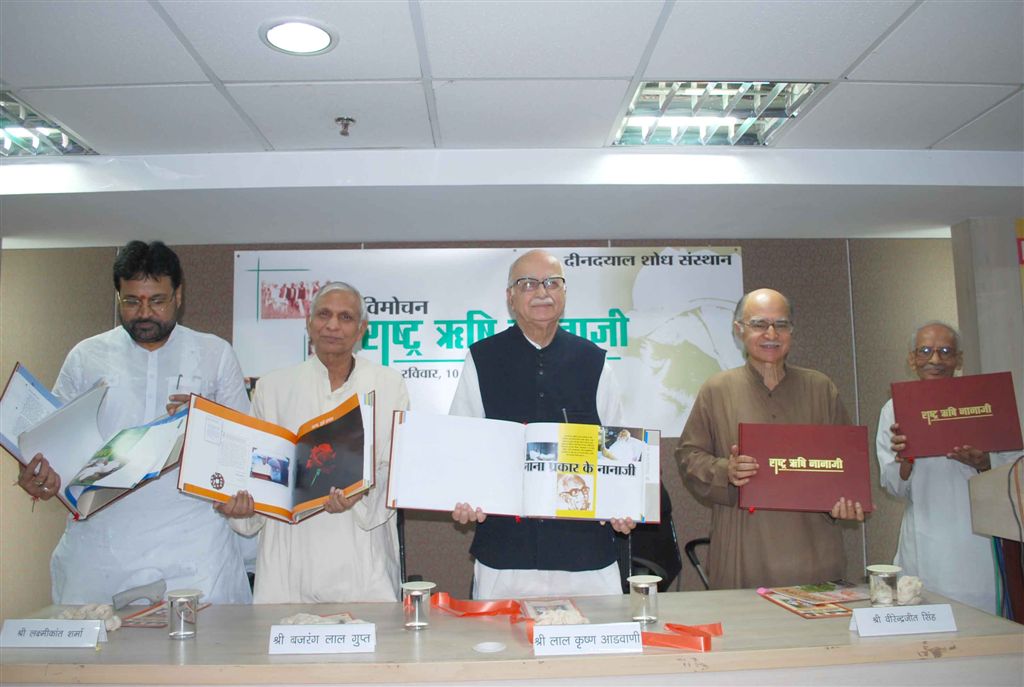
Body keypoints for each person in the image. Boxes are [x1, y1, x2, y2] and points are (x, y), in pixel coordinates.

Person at [17, 241, 252, 604]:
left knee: (206, 655)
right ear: (118, 297)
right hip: (101, 545)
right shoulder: (86, 356)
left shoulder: (214, 353)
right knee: (94, 657)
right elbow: (52, 445)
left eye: (156, 300)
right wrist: (39, 477)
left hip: (195, 545)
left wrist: (208, 419)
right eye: (131, 301)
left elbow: (243, 445)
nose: (144, 313)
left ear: (178, 296)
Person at [449, 249, 635, 599]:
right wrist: (462, 498)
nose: (542, 292)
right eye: (528, 284)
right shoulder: (482, 360)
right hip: (506, 554)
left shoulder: (593, 361)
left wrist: (624, 504)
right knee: (502, 650)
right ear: (510, 297)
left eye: (552, 282)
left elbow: (620, 447)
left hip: (585, 554)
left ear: (564, 293)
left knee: (596, 650)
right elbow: (460, 446)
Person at [218, 281, 409, 603]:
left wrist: (358, 495)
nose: (333, 325)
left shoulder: (388, 384)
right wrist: (240, 507)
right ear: (308, 323)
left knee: (369, 648)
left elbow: (397, 469)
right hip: (289, 561)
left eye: (346, 317)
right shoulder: (273, 387)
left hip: (363, 560)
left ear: (362, 328)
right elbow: (256, 472)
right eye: (324, 315)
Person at [677, 288, 864, 589]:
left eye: (781, 324)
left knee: (818, 636)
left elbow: (847, 465)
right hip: (743, 549)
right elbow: (688, 456)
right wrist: (727, 470)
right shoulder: (717, 389)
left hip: (813, 551)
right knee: (748, 633)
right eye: (759, 324)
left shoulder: (820, 388)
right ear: (739, 330)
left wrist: (846, 502)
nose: (771, 333)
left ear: (792, 330)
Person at [876, 321, 1016, 613]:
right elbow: (892, 485)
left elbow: (1016, 470)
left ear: (959, 360)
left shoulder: (985, 401)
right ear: (912, 359)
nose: (935, 360)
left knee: (982, 632)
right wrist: (905, 462)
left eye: (945, 352)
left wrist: (984, 462)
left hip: (977, 542)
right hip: (923, 536)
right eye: (925, 351)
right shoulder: (893, 409)